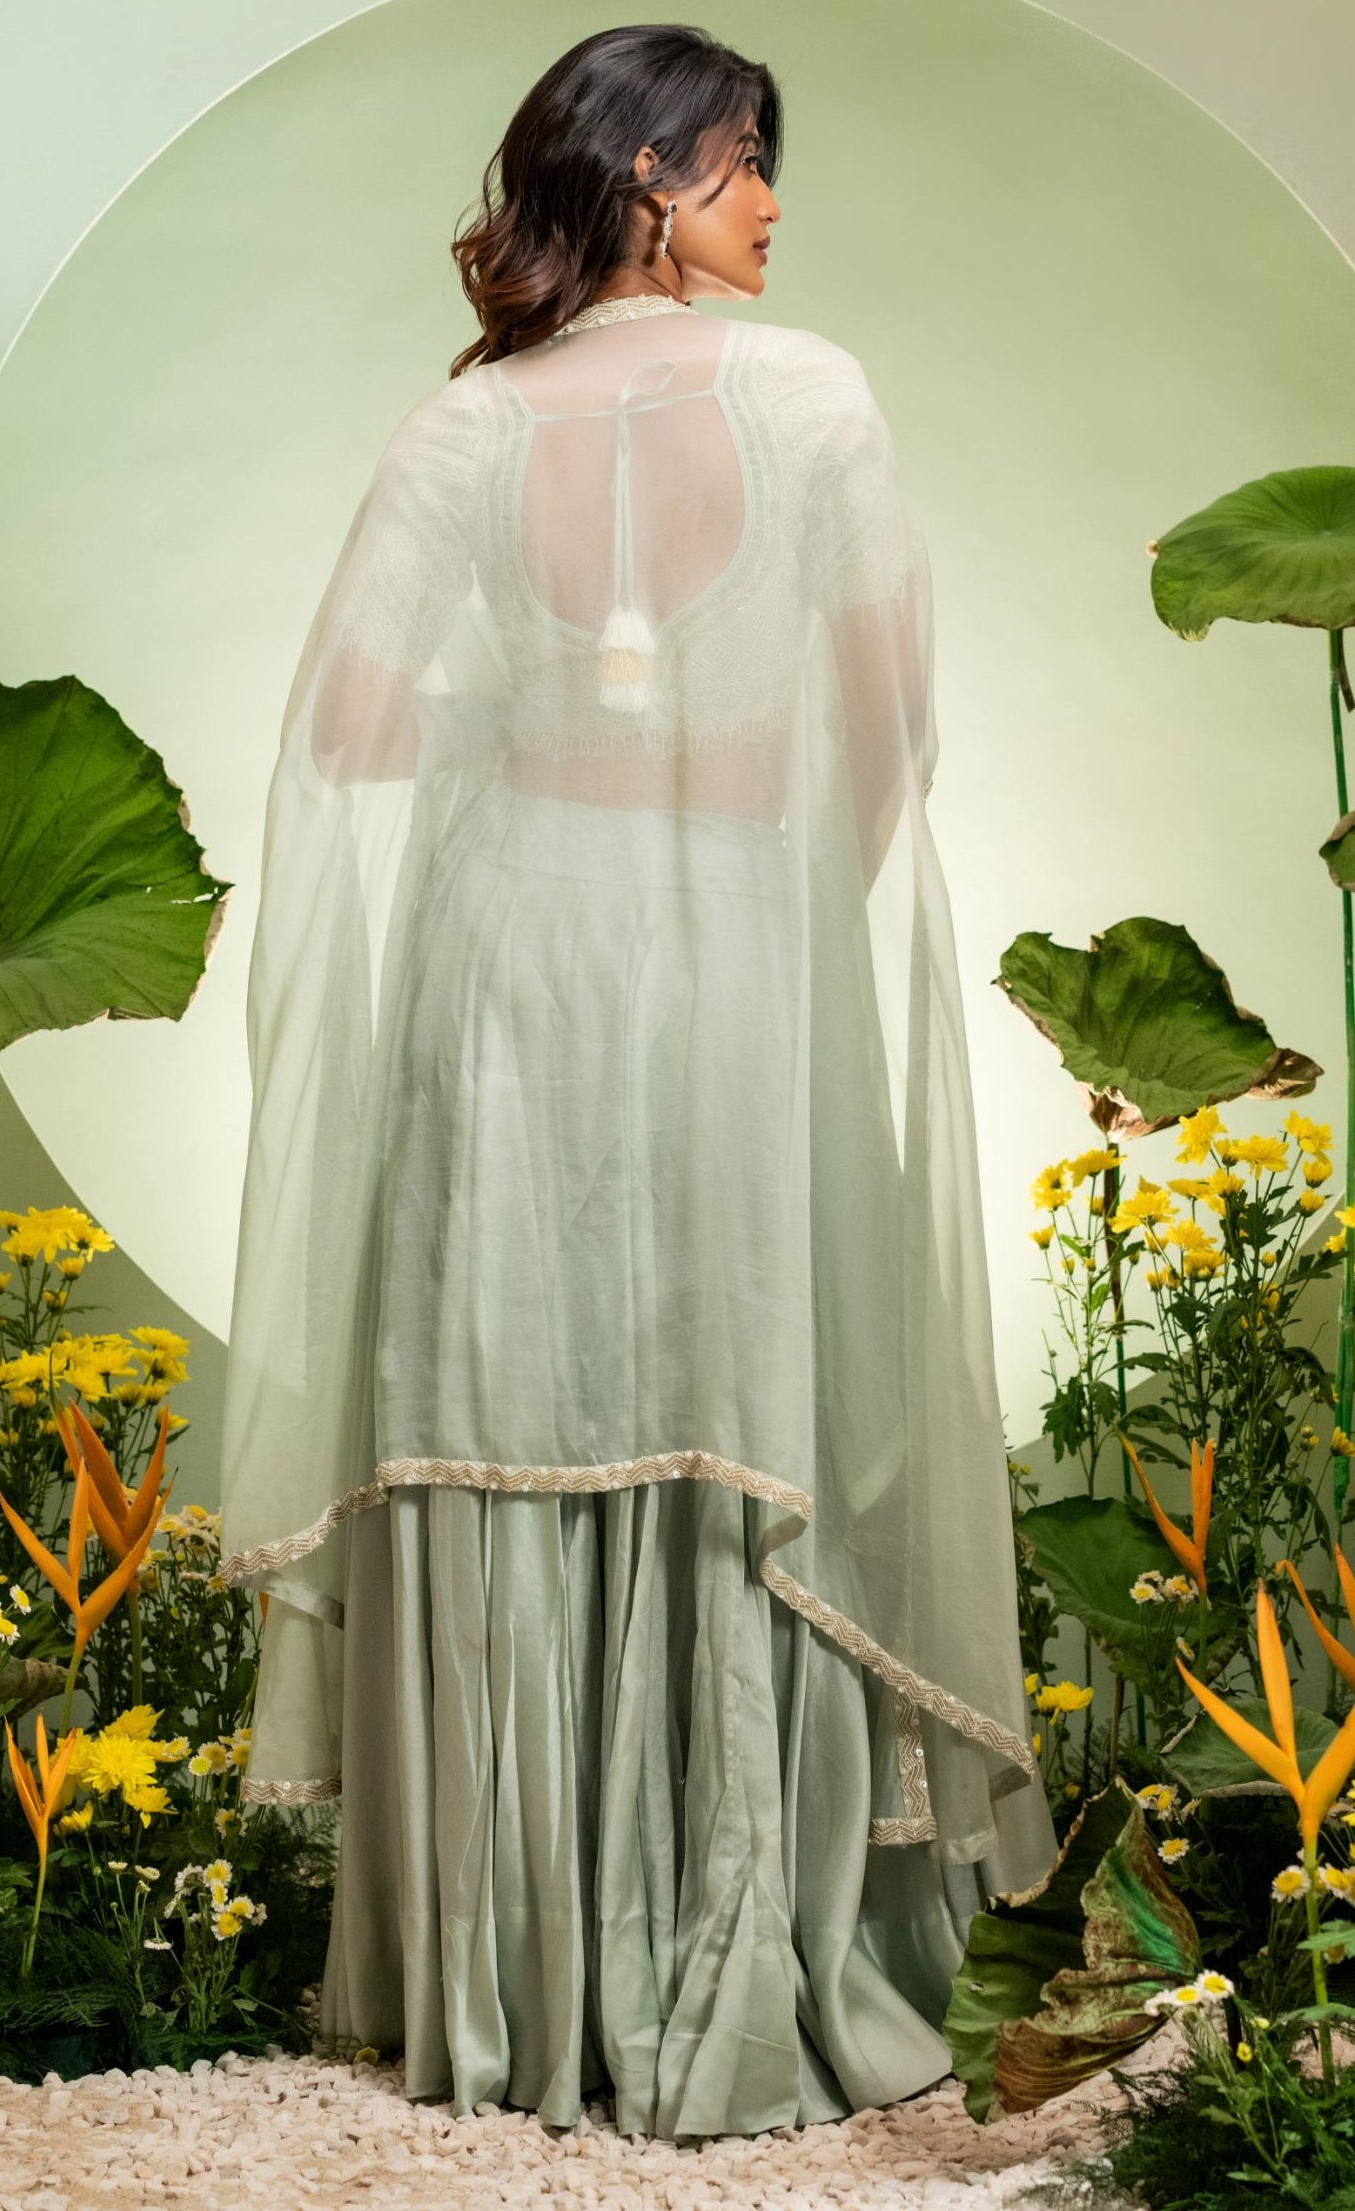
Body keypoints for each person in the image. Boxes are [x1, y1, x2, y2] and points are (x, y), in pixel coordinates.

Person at [217, 21, 1058, 2141]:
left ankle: (499, 1989)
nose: (771, 200)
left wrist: (541, 711)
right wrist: (745, 866)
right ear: (651, 178)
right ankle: (733, 1942)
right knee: (722, 1391)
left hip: (507, 948)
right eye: (745, 158)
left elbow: (348, 737)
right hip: (723, 944)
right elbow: (887, 732)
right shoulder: (813, 399)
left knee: (509, 1390)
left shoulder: (461, 426)